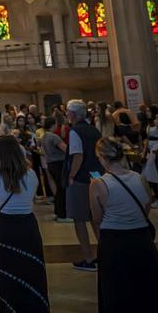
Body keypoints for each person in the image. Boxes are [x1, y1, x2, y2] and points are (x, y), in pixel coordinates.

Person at [89, 137, 158, 312]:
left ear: (102, 158)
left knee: (117, 290)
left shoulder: (98, 184)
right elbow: (147, 205)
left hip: (114, 241)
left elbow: (97, 218)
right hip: (142, 239)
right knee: (147, 289)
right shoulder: (140, 178)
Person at [0, 135, 48, 312]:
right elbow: (31, 198)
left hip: (5, 227)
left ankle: (10, 307)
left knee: (8, 273)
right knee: (31, 271)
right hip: (28, 225)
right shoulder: (31, 174)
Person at [64, 99, 102, 271]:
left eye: (68, 111)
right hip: (96, 176)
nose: (66, 114)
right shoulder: (93, 129)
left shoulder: (75, 131)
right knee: (97, 218)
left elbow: (77, 155)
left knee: (79, 218)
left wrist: (71, 175)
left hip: (80, 179)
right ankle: (105, 254)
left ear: (73, 114)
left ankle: (88, 258)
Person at [39, 116, 69, 223]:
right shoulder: (54, 137)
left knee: (58, 189)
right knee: (62, 189)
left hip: (50, 163)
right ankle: (62, 214)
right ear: (53, 124)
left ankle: (58, 211)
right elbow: (66, 149)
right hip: (59, 163)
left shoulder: (44, 136)